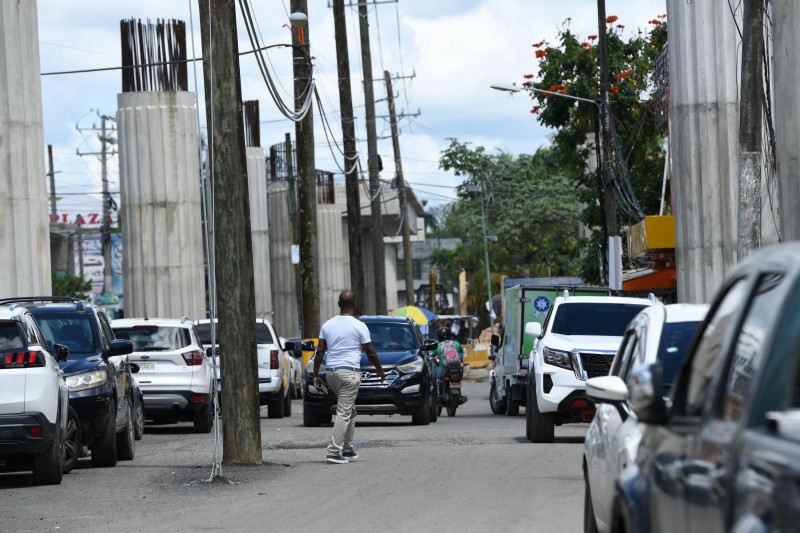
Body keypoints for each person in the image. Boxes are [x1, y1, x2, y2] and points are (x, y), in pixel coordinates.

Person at [312, 290, 385, 464]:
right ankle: (334, 451)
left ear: (339, 304)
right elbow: (371, 353)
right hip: (349, 375)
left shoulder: (327, 325)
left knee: (350, 411)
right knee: (344, 412)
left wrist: (315, 374)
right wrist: (380, 370)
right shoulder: (359, 325)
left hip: (331, 374)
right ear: (354, 304)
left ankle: (348, 449)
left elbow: (320, 351)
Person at [433, 325, 464, 390]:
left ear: (439, 336)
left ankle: (438, 393)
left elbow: (431, 355)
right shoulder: (456, 344)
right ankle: (459, 394)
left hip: (444, 369)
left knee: (436, 379)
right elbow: (461, 355)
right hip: (457, 368)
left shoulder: (437, 346)